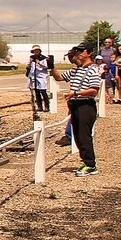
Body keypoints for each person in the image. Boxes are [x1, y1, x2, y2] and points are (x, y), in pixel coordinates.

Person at [52, 44, 102, 176]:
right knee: (78, 136)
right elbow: (59, 78)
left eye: (81, 51)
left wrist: (75, 93)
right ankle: (86, 162)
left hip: (85, 105)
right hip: (75, 105)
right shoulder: (76, 70)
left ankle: (91, 165)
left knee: (84, 136)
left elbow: (94, 90)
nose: (78, 53)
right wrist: (51, 67)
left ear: (89, 53)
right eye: (77, 51)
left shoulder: (93, 70)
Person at [25, 44, 50, 112]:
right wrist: (30, 62)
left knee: (43, 92)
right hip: (34, 76)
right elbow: (28, 67)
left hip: (41, 76)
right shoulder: (31, 58)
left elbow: (46, 67)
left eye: (37, 50)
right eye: (34, 51)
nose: (36, 52)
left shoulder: (43, 58)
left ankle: (47, 106)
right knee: (37, 92)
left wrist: (39, 63)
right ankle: (39, 106)